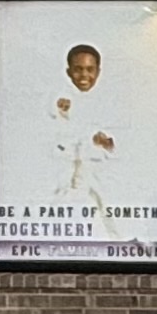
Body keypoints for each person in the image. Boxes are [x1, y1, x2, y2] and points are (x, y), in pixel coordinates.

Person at [50, 41, 117, 234]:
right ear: (69, 71)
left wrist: (106, 142)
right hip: (66, 167)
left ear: (98, 71)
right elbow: (56, 130)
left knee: (108, 208)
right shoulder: (61, 98)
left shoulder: (107, 101)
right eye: (78, 69)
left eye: (90, 69)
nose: (84, 76)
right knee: (62, 209)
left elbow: (118, 140)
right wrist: (61, 112)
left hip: (96, 167)